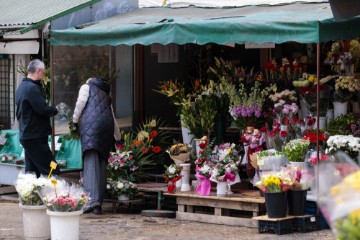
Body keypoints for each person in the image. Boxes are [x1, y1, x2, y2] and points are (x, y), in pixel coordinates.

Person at [72, 77, 121, 215]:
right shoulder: (105, 93)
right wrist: (118, 137)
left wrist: (74, 122)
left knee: (91, 162)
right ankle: (98, 202)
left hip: (91, 129)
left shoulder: (86, 87)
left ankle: (91, 201)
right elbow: (111, 115)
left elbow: (80, 103)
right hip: (106, 129)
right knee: (101, 164)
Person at [15, 59, 59, 178]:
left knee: (32, 173)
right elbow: (43, 109)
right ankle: (55, 195)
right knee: (52, 169)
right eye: (43, 73)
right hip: (35, 136)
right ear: (39, 71)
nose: (43, 75)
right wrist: (55, 109)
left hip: (27, 135)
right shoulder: (32, 88)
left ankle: (31, 195)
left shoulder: (21, 87)